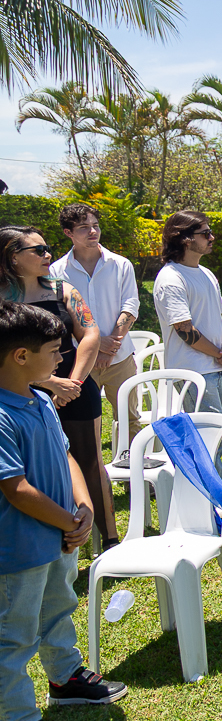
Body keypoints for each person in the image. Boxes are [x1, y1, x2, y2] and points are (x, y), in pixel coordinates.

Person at [0, 300, 128, 716]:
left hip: (60, 539)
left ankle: (65, 678)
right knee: (13, 639)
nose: (62, 356)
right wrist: (70, 522)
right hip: (19, 551)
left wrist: (85, 503)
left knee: (59, 609)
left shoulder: (39, 397)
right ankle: (18, 713)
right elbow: (16, 488)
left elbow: (66, 453)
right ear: (21, 356)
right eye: (55, 350)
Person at [0, 226, 118, 551]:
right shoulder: (2, 300)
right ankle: (61, 539)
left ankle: (109, 540)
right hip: (23, 393)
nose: (48, 255)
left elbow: (90, 334)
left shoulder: (62, 289)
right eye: (38, 251)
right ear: (13, 257)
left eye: (47, 248)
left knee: (89, 461)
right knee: (36, 466)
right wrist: (47, 382)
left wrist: (74, 383)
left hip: (75, 388)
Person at [49, 203, 141, 446]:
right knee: (84, 422)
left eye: (95, 226)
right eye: (84, 227)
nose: (93, 231)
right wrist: (97, 345)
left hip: (119, 357)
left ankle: (137, 474)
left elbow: (131, 305)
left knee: (130, 419)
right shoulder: (56, 271)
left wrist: (110, 346)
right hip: (80, 362)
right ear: (68, 233)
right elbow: (61, 318)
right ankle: (92, 474)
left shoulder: (121, 264)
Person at [152, 211, 222, 414]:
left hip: (216, 366)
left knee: (221, 433)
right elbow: (184, 330)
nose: (212, 238)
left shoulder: (205, 273)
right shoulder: (171, 279)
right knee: (209, 437)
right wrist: (220, 354)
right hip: (192, 370)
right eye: (205, 233)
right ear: (185, 239)